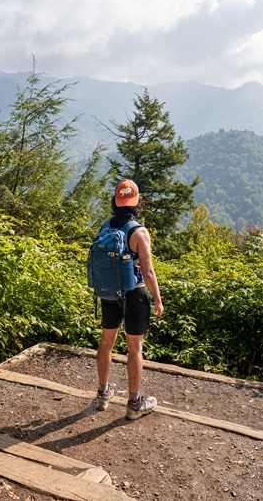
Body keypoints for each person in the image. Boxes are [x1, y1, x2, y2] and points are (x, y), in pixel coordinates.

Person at [95, 179, 164, 420]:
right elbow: (148, 270)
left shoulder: (105, 226)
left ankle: (103, 394)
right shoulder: (139, 231)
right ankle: (134, 403)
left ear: (115, 202)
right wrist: (157, 299)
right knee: (134, 349)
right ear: (136, 204)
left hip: (109, 292)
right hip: (135, 294)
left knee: (106, 343)